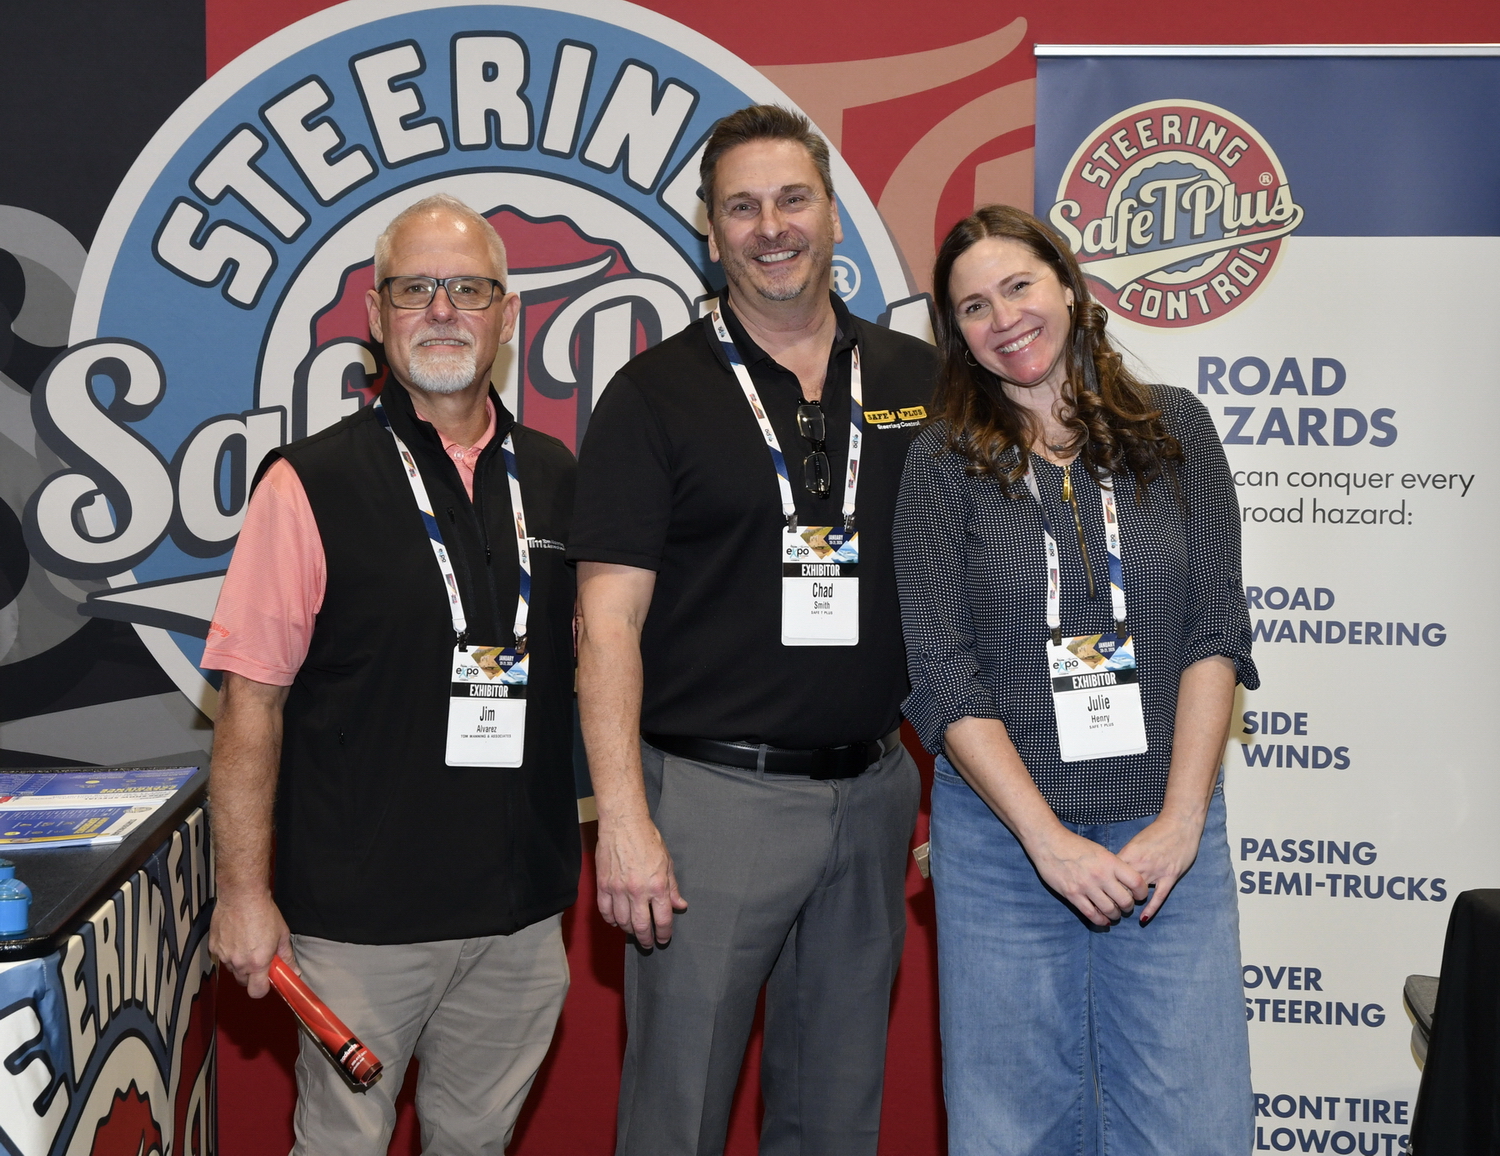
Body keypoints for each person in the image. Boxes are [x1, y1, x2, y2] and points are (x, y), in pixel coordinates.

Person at [569, 104, 937, 1156]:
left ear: (830, 214)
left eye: (791, 199)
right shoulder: (655, 394)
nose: (770, 226)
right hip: (709, 806)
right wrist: (626, 822)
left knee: (835, 1117)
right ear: (708, 229)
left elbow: (959, 608)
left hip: (874, 801)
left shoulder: (918, 382)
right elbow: (607, 623)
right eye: (742, 206)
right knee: (676, 1118)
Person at [203, 193, 579, 1154]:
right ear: (375, 315)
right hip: (359, 929)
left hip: (518, 917)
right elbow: (253, 702)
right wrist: (243, 894)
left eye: (469, 289)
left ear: (508, 315)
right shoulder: (308, 482)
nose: (443, 310)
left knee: (476, 1145)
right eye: (416, 289)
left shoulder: (557, 474)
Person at [894, 204, 1256, 1155]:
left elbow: (1215, 631)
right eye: (973, 307)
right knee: (1013, 1128)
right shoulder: (939, 464)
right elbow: (940, 671)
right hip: (1006, 846)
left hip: (1164, 833)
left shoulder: (1177, 428)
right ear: (957, 337)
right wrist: (1047, 840)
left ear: (1067, 287)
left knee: (1193, 1123)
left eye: (1018, 286)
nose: (1003, 317)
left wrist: (1182, 820)